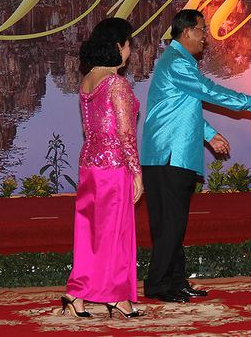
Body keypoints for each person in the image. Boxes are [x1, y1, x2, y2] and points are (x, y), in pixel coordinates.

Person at [140, 9, 251, 303]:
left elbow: (183, 106)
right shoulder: (178, 62)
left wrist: (209, 135)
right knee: (170, 224)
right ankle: (157, 285)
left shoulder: (179, 62)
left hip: (173, 152)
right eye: (203, 30)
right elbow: (208, 91)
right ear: (187, 32)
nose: (206, 37)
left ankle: (175, 282)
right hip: (169, 154)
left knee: (173, 223)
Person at [62, 18, 144, 319]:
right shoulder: (116, 83)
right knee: (116, 235)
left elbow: (91, 128)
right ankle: (114, 296)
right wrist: (136, 173)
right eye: (128, 44)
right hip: (113, 167)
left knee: (89, 234)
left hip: (90, 165)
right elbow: (125, 134)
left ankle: (80, 295)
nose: (130, 50)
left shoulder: (87, 81)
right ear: (117, 46)